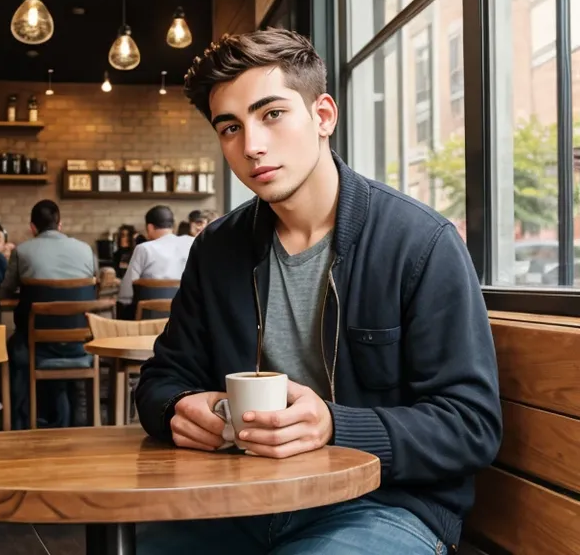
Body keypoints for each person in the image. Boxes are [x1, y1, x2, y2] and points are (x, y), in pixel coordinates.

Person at [135, 29, 502, 554]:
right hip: (241, 500)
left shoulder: (419, 242)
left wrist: (335, 424)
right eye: (230, 127)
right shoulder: (217, 248)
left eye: (273, 114)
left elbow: (471, 425)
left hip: (384, 505)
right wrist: (180, 408)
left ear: (323, 116)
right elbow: (160, 380)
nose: (252, 145)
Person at [0, 200, 95, 429]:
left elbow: (5, 289)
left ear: (33, 227)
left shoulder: (22, 251)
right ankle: (74, 419)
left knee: (15, 347)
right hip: (80, 344)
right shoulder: (85, 249)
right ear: (60, 224)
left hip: (36, 346)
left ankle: (22, 423)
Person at [117, 205, 194, 308]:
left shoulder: (143, 249)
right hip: (187, 316)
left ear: (149, 227)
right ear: (173, 226)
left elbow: (125, 294)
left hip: (150, 318)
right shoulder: (192, 242)